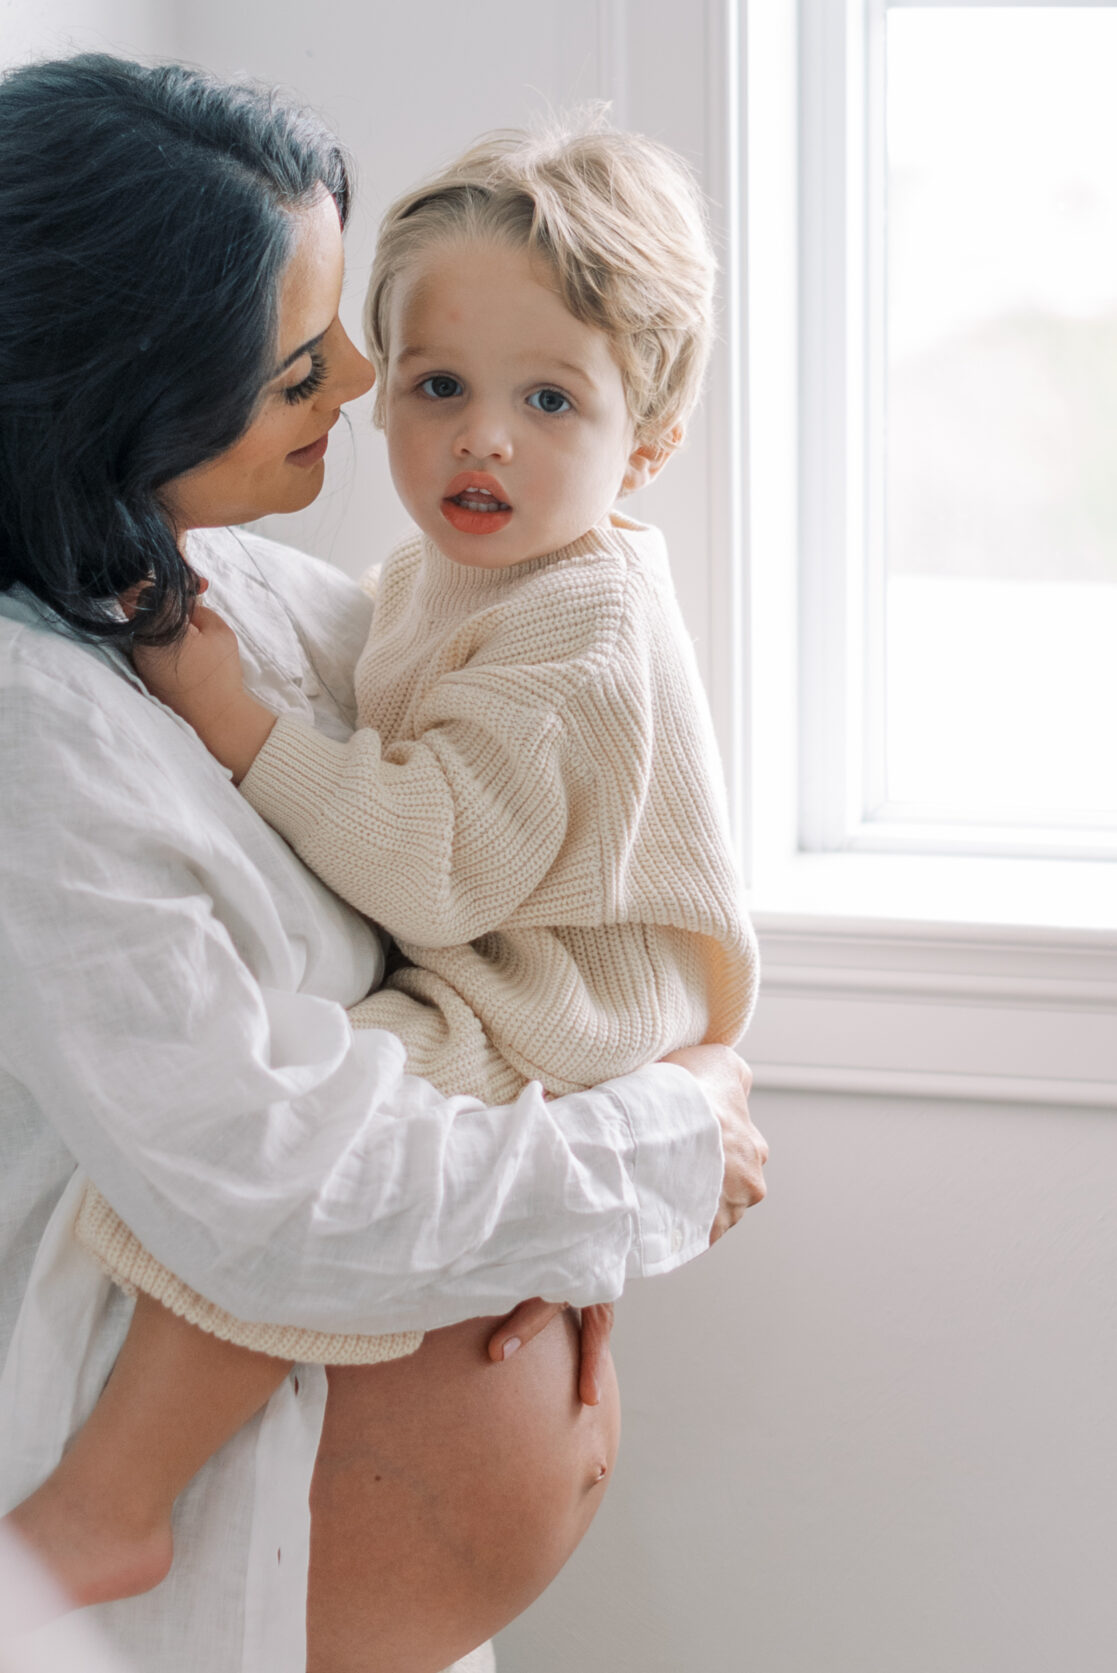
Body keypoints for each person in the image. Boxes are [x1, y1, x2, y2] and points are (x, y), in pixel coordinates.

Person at [0, 55, 768, 1673]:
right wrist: (637, 1162)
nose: (359, 379)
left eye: (549, 398)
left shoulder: (256, 587)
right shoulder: (39, 721)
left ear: (644, 439)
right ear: (122, 395)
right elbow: (281, 1191)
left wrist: (572, 1192)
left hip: (552, 1005)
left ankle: (108, 1497)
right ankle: (104, 1501)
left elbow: (437, 838)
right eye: (308, 363)